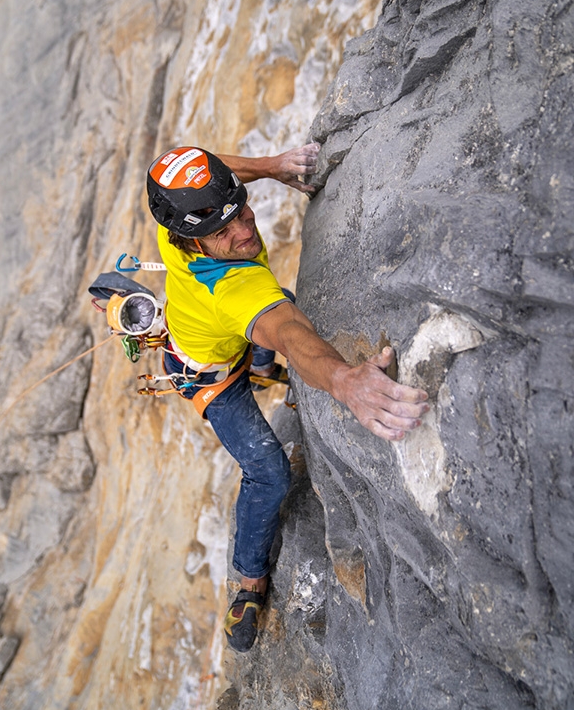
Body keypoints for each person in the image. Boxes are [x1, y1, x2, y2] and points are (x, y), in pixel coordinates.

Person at [146, 143, 429, 652]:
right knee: (268, 471)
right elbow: (292, 334)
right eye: (223, 232)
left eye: (241, 210)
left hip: (219, 333)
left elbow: (217, 171)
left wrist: (273, 168)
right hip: (207, 375)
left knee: (274, 320)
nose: (245, 231)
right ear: (192, 240)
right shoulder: (238, 292)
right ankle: (249, 581)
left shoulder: (180, 225)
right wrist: (345, 381)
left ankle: (260, 365)